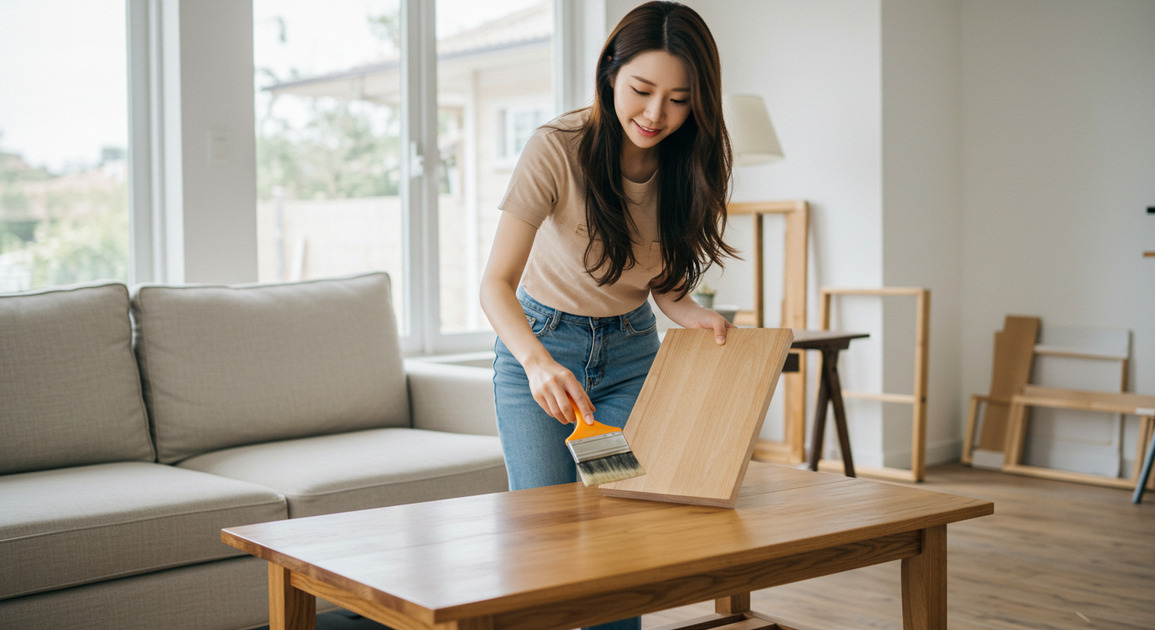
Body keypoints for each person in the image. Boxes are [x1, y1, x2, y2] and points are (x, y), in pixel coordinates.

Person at [479, 3, 733, 625]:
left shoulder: (688, 161)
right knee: (545, 537)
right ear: (610, 75)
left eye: (678, 99)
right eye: (642, 91)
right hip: (541, 356)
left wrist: (691, 313)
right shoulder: (557, 149)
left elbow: (661, 280)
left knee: (615, 534)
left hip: (626, 364)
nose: (655, 115)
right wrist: (537, 366)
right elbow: (495, 284)